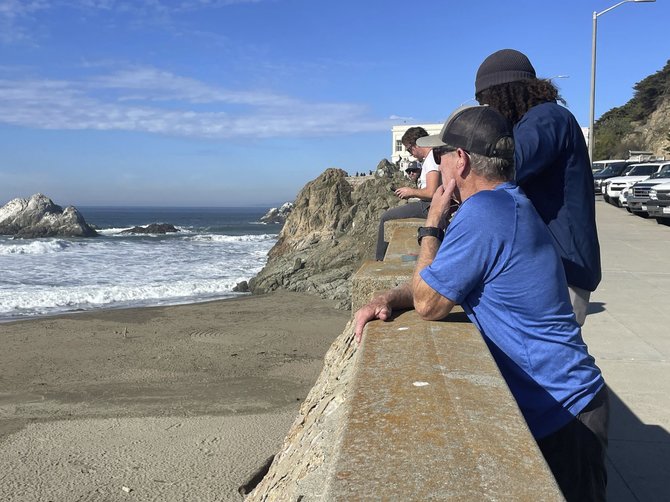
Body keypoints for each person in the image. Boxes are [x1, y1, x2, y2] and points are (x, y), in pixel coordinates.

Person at [355, 105, 609, 502]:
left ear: (462, 159)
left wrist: (432, 224)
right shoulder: (510, 202)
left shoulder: (485, 213)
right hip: (573, 403)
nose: (438, 162)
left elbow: (429, 304)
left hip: (563, 413)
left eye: (442, 154)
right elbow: (441, 283)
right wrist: (389, 296)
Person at [474, 49, 601, 325]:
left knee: (550, 362)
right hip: (556, 265)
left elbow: (509, 166)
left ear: (502, 93)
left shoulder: (546, 118)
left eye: (486, 101)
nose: (488, 111)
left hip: (565, 269)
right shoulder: (539, 120)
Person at [375, 127, 440, 260]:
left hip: (428, 206)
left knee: (386, 217)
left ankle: (380, 260)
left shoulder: (431, 158)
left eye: (410, 149)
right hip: (428, 204)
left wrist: (410, 192)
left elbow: (432, 192)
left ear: (417, 144)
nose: (411, 154)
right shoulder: (432, 157)